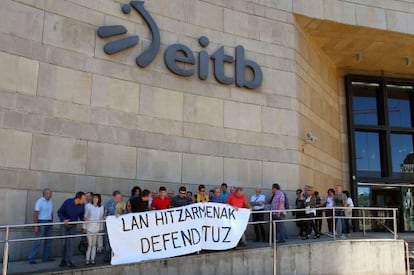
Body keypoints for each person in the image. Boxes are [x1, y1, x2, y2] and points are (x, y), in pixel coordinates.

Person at [57, 191, 86, 268]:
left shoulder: (82, 205)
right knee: (64, 243)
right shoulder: (68, 202)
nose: (84, 201)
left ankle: (69, 261)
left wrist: (83, 218)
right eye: (83, 199)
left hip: (73, 225)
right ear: (78, 198)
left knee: (71, 243)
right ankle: (63, 260)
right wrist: (63, 220)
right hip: (65, 224)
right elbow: (59, 212)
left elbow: (81, 215)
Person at [28, 188, 54, 264]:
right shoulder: (39, 202)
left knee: (49, 241)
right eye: (50, 194)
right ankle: (31, 258)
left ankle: (46, 257)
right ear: (45, 194)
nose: (51, 195)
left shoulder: (50, 201)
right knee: (37, 241)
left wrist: (51, 221)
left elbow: (51, 212)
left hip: (49, 222)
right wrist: (36, 225)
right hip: (41, 221)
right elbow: (35, 213)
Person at [83, 194, 104, 265]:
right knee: (89, 244)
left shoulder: (101, 207)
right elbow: (85, 216)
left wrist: (101, 228)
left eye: (97, 198)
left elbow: (101, 218)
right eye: (94, 198)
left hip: (97, 228)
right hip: (89, 227)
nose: (95, 199)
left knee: (94, 245)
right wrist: (84, 227)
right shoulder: (88, 206)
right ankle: (87, 260)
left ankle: (92, 259)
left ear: (99, 199)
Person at [103, 190, 123, 263]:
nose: (119, 198)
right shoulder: (108, 203)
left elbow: (124, 212)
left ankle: (115, 256)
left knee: (116, 241)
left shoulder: (122, 203)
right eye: (118, 197)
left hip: (117, 226)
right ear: (114, 197)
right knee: (107, 241)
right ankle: (106, 257)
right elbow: (105, 212)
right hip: (109, 225)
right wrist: (105, 216)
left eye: (120, 197)